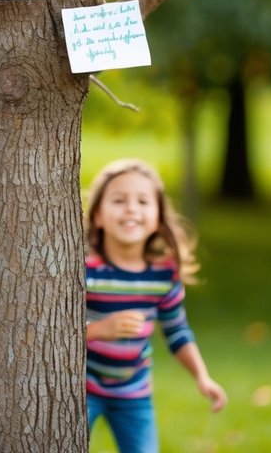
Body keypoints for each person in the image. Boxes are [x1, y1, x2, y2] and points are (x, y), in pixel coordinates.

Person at [84, 158, 227, 453]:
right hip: (81, 389)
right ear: (98, 215)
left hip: (134, 391)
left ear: (159, 215)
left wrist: (202, 377)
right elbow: (53, 332)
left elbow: (177, 332)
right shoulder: (87, 270)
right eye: (119, 200)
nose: (131, 209)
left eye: (143, 201)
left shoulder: (164, 275)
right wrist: (98, 330)